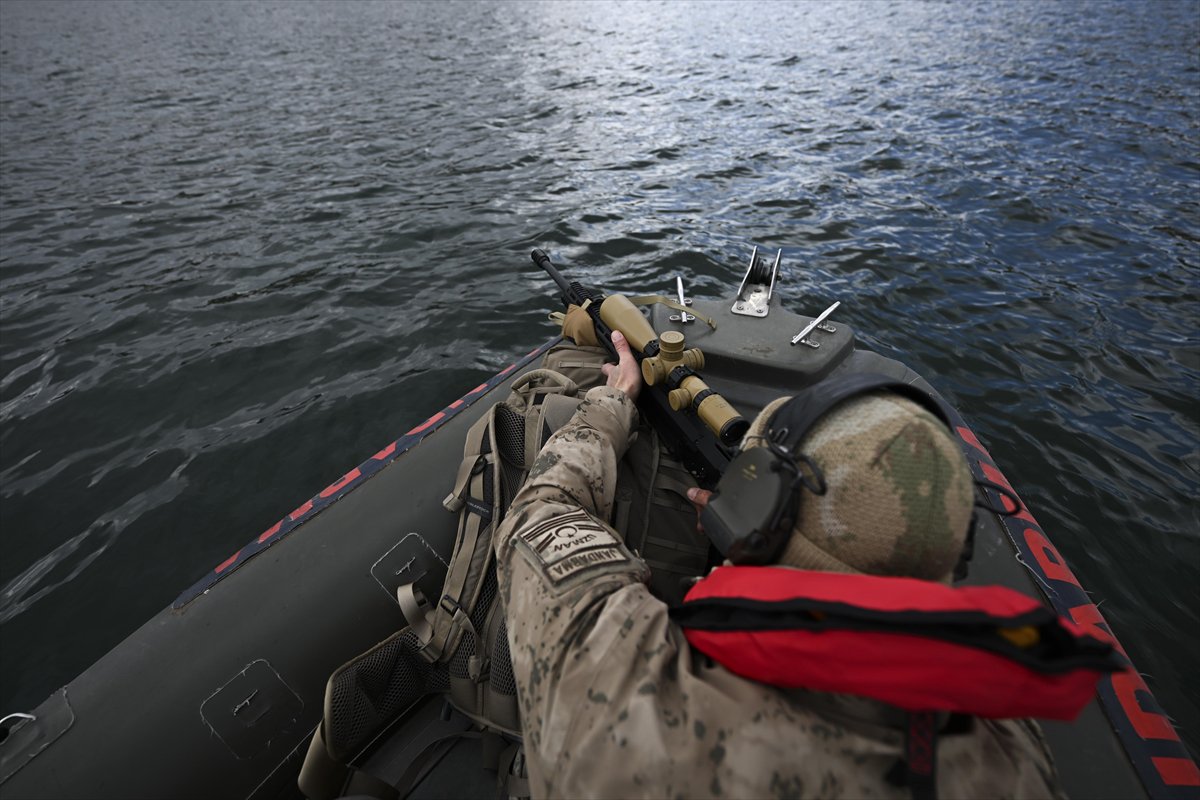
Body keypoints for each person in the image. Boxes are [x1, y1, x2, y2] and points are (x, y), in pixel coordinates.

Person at [492, 330, 1066, 800]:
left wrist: (611, 402)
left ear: (752, 516)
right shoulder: (1013, 754)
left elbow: (538, 515)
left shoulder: (624, 683)